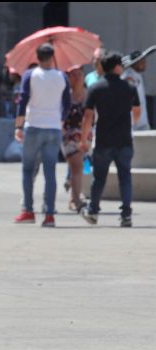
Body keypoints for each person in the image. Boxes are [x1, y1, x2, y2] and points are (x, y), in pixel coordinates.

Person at [80, 51, 140, 228]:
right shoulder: (129, 87)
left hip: (103, 139)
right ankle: (126, 215)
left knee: (99, 178)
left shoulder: (95, 88)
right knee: (125, 178)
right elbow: (137, 111)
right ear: (116, 67)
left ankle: (93, 211)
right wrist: (132, 124)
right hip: (124, 140)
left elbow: (88, 116)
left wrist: (83, 139)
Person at [13, 43, 70, 227]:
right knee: (50, 172)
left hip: (33, 126)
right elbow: (67, 104)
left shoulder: (30, 75)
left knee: (28, 170)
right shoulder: (62, 76)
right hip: (54, 128)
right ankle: (50, 215)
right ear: (53, 57)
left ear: (37, 57)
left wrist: (18, 126)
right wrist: (60, 121)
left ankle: (28, 211)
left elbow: (22, 101)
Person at [61, 66, 88, 213]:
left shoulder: (89, 94)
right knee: (76, 166)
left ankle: (74, 198)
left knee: (78, 168)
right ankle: (75, 199)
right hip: (69, 136)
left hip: (86, 136)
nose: (76, 78)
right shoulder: (64, 96)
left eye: (79, 74)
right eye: (72, 75)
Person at [122, 50, 150, 131]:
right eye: (142, 61)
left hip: (143, 121)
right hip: (133, 124)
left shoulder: (137, 75)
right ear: (135, 63)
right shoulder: (128, 76)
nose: (145, 63)